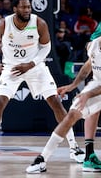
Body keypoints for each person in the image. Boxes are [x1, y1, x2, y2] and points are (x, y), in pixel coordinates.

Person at [0, 0, 84, 163]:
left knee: (55, 102)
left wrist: (30, 64)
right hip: (11, 67)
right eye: (23, 7)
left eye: (29, 7)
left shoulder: (39, 23)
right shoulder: (3, 24)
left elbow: (46, 47)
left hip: (35, 67)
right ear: (14, 9)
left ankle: (74, 147)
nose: (27, 10)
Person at [26, 26, 101, 173]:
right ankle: (43, 159)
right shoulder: (93, 44)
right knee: (73, 113)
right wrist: (72, 85)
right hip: (97, 85)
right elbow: (88, 66)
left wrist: (87, 94)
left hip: (98, 88)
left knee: (91, 108)